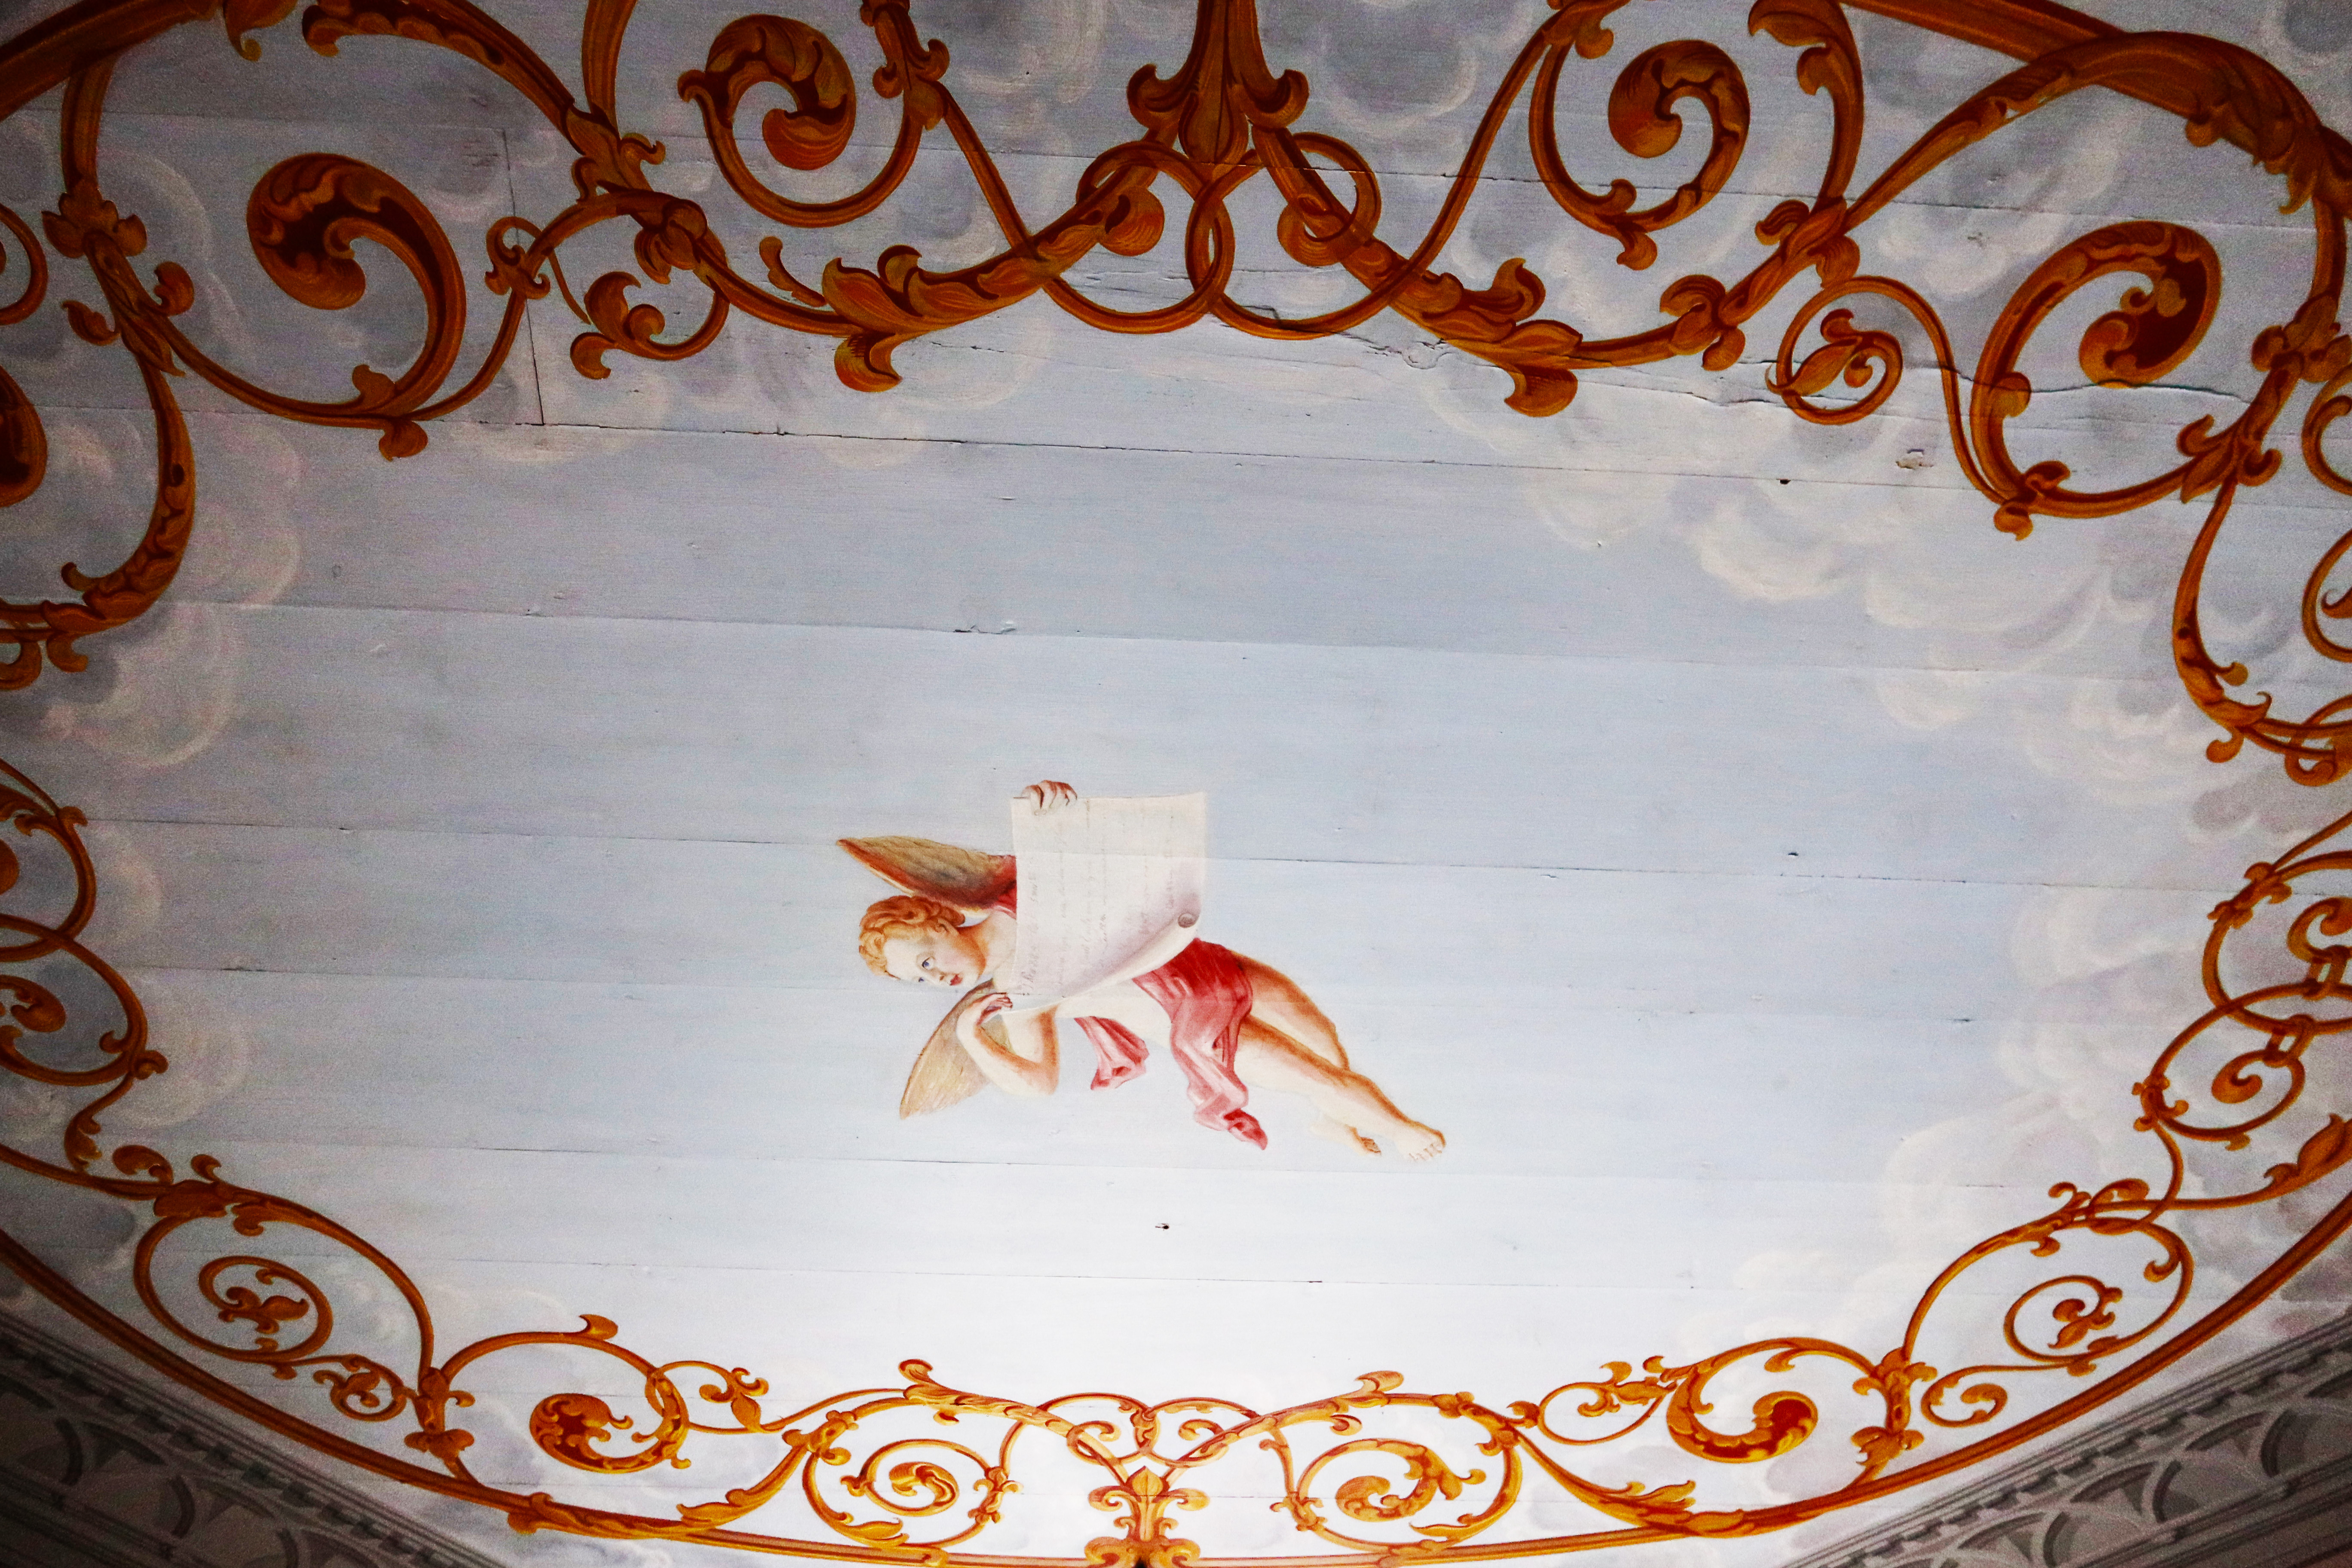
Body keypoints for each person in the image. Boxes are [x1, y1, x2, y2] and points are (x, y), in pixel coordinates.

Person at [846, 782, 1445, 1159]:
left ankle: (1338, 1126)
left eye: (926, 960)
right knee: (1310, 1074)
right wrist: (972, 1037)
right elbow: (1038, 1084)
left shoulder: (1018, 890)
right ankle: (1400, 1130)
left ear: (941, 922)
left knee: (1321, 1036)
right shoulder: (1020, 993)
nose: (935, 980)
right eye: (919, 980)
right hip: (1191, 1020)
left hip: (1205, 963)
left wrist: (1055, 804)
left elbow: (1090, 852)